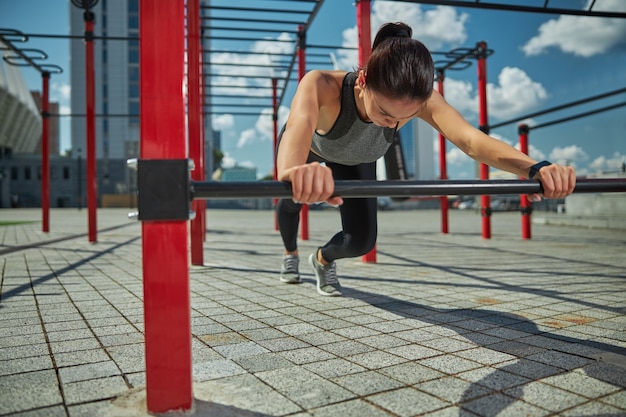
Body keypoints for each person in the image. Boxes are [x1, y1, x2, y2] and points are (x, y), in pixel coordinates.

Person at [276, 22, 576, 297]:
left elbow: (471, 140)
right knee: (290, 199)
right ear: (363, 81)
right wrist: (294, 171)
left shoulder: (423, 100)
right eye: (385, 113)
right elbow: (299, 126)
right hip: (312, 147)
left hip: (356, 159)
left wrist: (536, 168)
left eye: (404, 118)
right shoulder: (322, 84)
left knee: (362, 241)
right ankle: (290, 255)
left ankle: (322, 259)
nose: (390, 124)